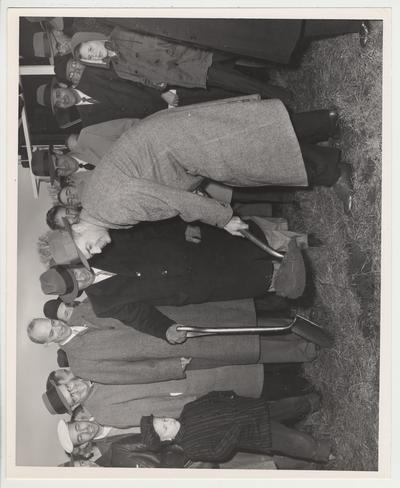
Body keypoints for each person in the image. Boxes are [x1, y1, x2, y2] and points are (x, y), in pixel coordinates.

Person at [77, 95, 352, 236]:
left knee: (254, 157)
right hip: (172, 141)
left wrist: (223, 219)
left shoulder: (110, 209)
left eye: (85, 250)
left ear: (77, 229)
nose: (94, 253)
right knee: (253, 136)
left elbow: (171, 200)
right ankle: (325, 121)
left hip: (180, 146)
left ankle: (335, 172)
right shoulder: (95, 202)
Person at [70, 28, 291, 103]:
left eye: (89, 48)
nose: (93, 54)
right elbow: (145, 81)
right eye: (88, 57)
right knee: (237, 82)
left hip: (193, 47)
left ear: (94, 39)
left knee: (241, 51)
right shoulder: (119, 69)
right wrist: (160, 86)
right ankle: (285, 96)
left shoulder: (122, 32)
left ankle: (283, 58)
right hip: (187, 72)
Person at [43, 362, 266, 427]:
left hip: (182, 369)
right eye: (72, 397)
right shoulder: (103, 414)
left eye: (68, 387)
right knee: (249, 382)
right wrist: (191, 400)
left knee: (242, 365)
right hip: (188, 389)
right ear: (74, 407)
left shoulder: (90, 370)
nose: (75, 389)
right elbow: (152, 412)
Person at [140, 390, 331, 464]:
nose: (168, 422)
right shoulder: (191, 447)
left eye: (163, 419)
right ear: (166, 440)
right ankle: (325, 452)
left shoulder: (188, 410)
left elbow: (211, 397)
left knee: (286, 406)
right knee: (293, 441)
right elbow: (217, 453)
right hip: (253, 433)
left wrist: (228, 396)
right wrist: (235, 428)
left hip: (251, 408)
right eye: (164, 428)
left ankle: (314, 401)